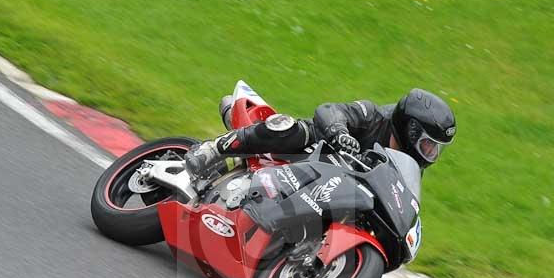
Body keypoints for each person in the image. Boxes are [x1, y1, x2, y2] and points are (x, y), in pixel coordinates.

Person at [185, 88, 456, 179]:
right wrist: (340, 134)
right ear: (410, 129)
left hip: (333, 185)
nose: (430, 153)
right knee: (291, 129)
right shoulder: (373, 115)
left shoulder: (409, 168)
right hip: (311, 151)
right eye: (427, 144)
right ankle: (214, 148)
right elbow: (329, 111)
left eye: (435, 148)